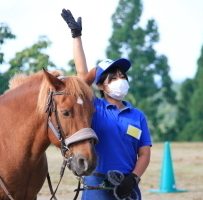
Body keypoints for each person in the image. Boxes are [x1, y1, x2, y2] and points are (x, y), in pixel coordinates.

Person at [61, 9, 152, 200]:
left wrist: (134, 178)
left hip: (127, 185)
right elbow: (81, 73)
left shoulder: (138, 116)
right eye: (114, 78)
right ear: (101, 85)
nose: (120, 80)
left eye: (122, 76)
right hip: (97, 185)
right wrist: (76, 36)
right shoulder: (94, 107)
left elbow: (144, 153)